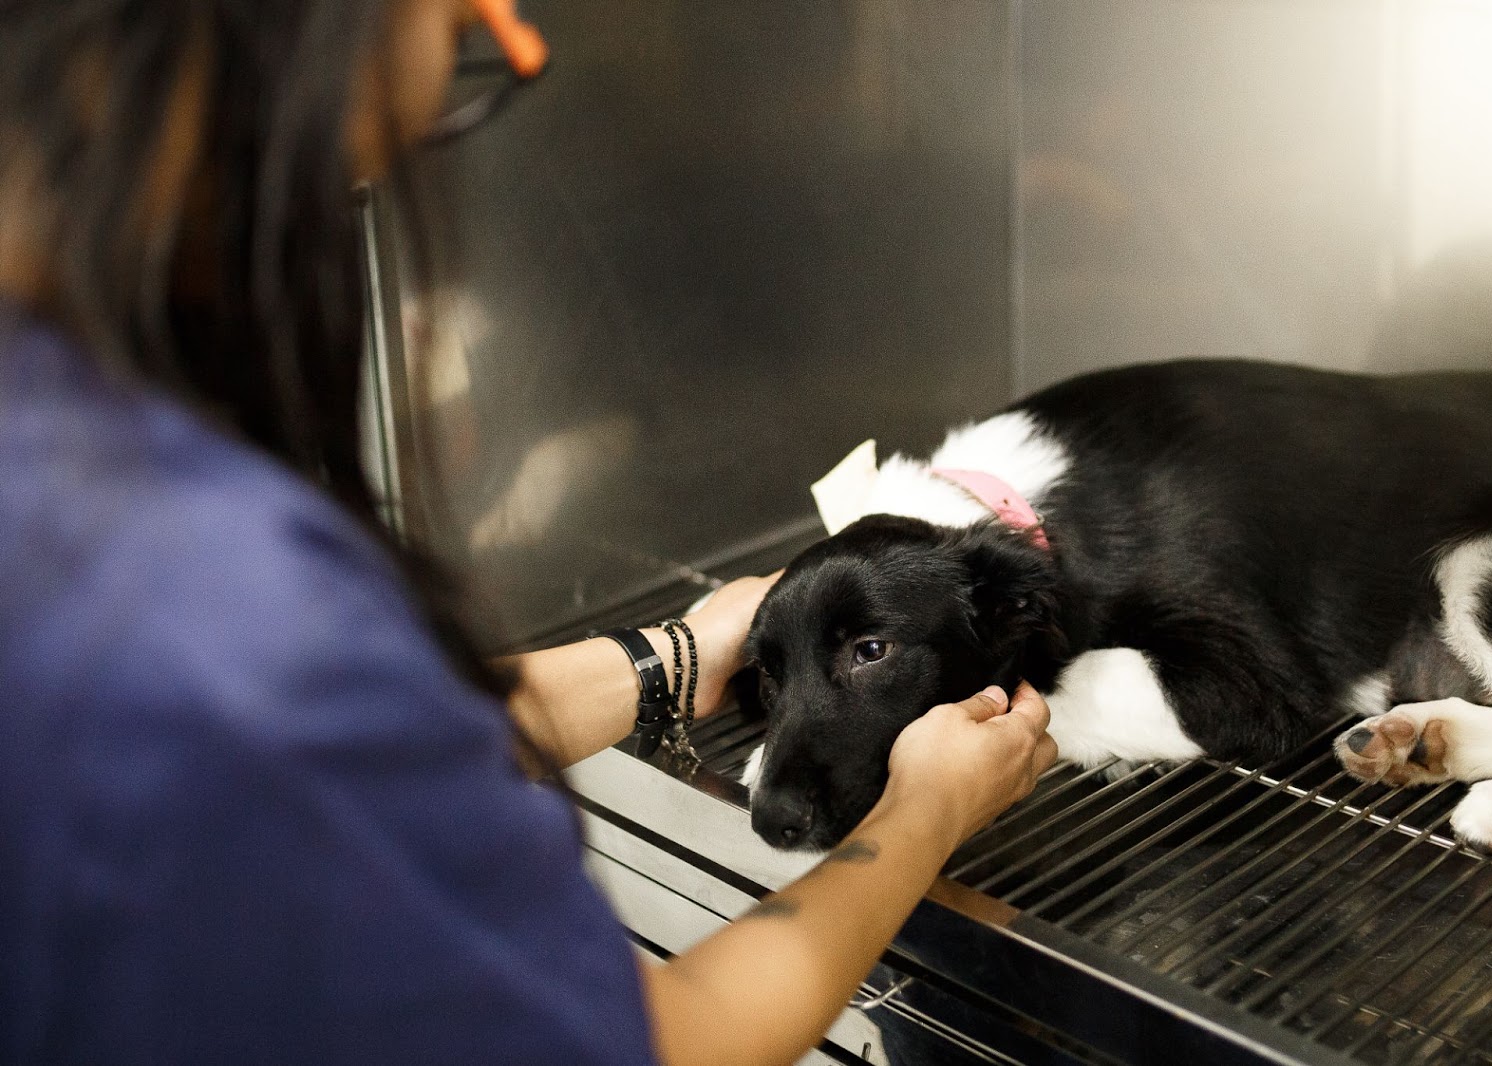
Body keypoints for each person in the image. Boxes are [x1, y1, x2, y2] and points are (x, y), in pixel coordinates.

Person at [0, 2, 1058, 1063]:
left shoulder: (64, 450)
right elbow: (670, 1046)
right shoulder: (237, 614)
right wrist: (921, 813)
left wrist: (674, 656)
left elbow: (368, 740)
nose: (497, 24)